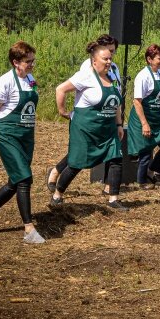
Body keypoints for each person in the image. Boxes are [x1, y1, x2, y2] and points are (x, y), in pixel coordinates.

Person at [0, 41, 45, 243]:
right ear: (16, 62)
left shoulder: (30, 79)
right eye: (28, 61)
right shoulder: (4, 82)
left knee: (15, 181)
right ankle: (29, 229)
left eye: (33, 60)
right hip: (7, 135)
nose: (32, 64)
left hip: (26, 137)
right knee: (24, 179)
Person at [49, 42, 128, 211]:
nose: (109, 62)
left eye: (110, 58)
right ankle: (57, 194)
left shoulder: (113, 77)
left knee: (116, 159)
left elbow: (115, 103)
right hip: (86, 129)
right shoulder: (85, 76)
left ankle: (113, 199)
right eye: (105, 59)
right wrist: (63, 112)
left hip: (107, 128)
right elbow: (60, 89)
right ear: (94, 61)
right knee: (76, 164)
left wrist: (119, 124)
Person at [127, 44, 160, 188]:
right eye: (159, 58)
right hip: (143, 119)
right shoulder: (143, 76)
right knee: (146, 153)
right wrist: (144, 124)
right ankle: (142, 183)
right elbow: (137, 101)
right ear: (149, 59)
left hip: (156, 119)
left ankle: (151, 171)